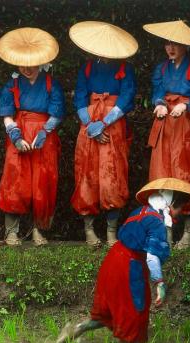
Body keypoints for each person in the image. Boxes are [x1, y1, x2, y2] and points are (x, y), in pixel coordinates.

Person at [55, 178, 190, 343]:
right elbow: (151, 257)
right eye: (180, 208)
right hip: (129, 267)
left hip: (112, 260)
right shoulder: (157, 222)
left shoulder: (140, 211)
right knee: (136, 311)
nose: (180, 213)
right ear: (171, 204)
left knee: (111, 310)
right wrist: (159, 283)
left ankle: (76, 329)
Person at [143, 20, 190, 248]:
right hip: (166, 126)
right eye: (167, 43)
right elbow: (157, 91)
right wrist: (160, 103)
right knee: (163, 174)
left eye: (175, 44)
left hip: (188, 128)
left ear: (185, 46)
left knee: (189, 175)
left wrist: (188, 104)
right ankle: (166, 232)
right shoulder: (162, 68)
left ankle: (189, 234)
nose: (170, 48)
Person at [68, 21, 138, 247]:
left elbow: (127, 98)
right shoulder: (87, 67)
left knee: (113, 178)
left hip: (114, 127)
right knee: (87, 175)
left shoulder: (125, 69)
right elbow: (79, 95)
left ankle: (111, 232)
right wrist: (90, 125)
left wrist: (105, 122)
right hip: (88, 125)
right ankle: (89, 230)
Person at [0, 27, 65, 246]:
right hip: (20, 132)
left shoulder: (51, 83)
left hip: (44, 136)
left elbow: (57, 113)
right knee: (15, 179)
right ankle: (11, 231)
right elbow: (7, 114)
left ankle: (38, 230)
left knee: (42, 182)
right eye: (21, 63)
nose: (26, 68)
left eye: (30, 63)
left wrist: (45, 132)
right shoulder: (12, 84)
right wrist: (15, 135)